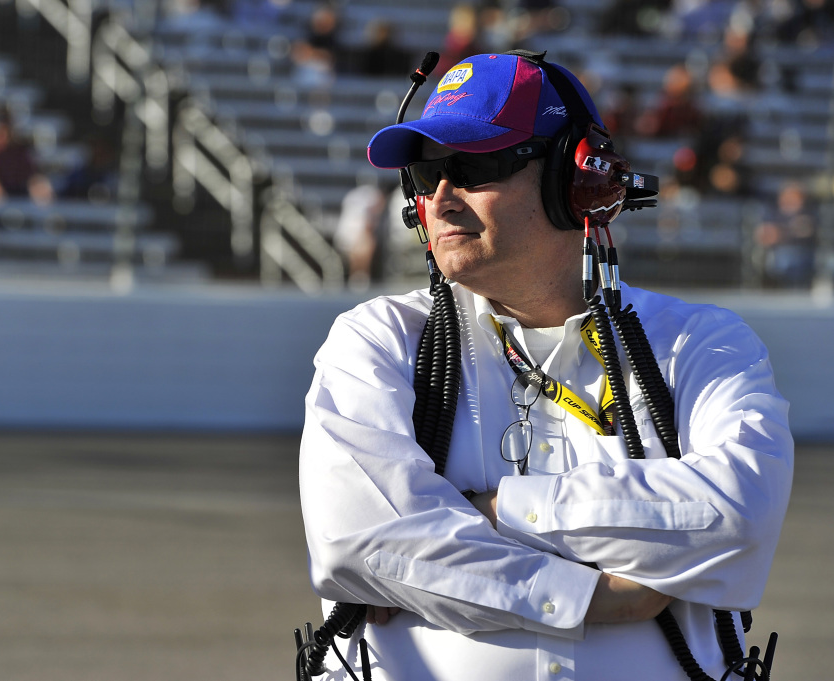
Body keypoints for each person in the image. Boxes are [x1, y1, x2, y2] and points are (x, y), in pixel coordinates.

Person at [299, 51, 792, 681]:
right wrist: (593, 597)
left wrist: (490, 512)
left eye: (473, 167)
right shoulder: (377, 339)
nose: (440, 199)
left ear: (577, 178)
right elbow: (359, 542)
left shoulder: (703, 343)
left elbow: (735, 515)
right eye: (426, 173)